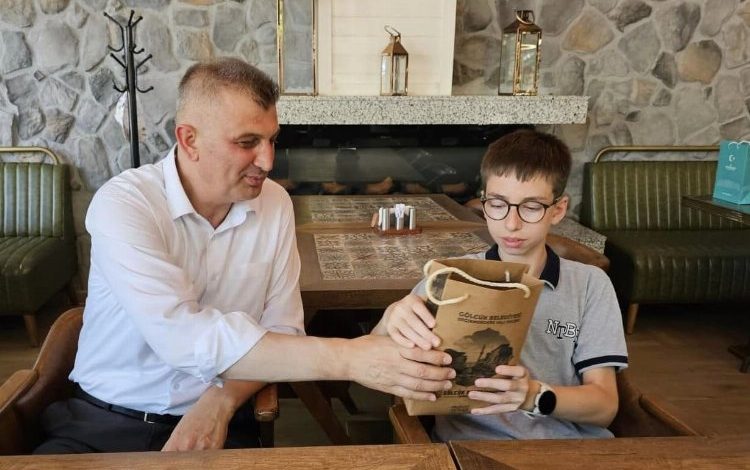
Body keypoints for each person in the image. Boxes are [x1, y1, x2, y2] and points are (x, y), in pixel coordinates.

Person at [34, 58, 454, 454]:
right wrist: (350, 358)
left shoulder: (275, 204)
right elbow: (183, 338)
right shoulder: (125, 204)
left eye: (272, 140)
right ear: (189, 140)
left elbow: (283, 328)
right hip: (101, 420)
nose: (268, 161)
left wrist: (220, 401)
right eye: (247, 142)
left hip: (226, 414)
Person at [373, 129, 628, 441]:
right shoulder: (450, 276)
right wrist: (389, 319)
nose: (511, 223)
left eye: (531, 207)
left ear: (558, 210)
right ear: (482, 203)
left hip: (567, 448)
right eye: (498, 204)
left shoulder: (590, 284)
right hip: (470, 449)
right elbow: (374, 361)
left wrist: (532, 395)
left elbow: (605, 406)